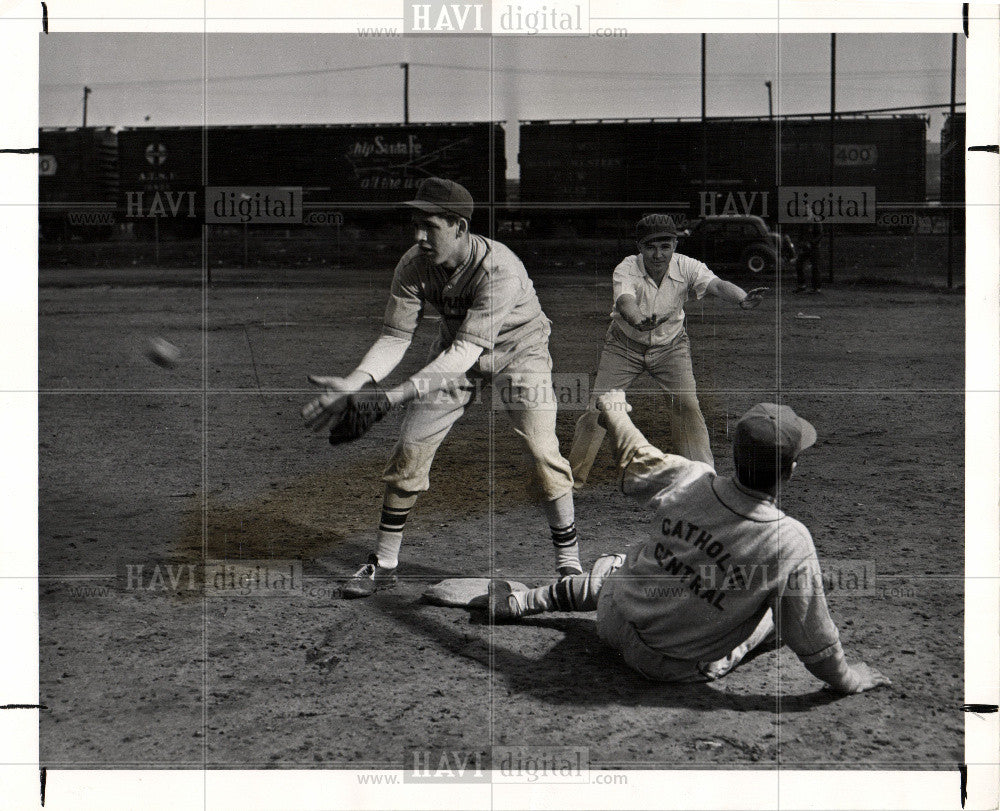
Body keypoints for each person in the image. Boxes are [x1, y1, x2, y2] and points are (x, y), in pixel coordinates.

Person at [490, 391, 891, 694]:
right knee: (780, 617)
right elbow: (816, 646)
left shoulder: (692, 476)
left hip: (614, 621)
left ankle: (525, 601)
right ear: (791, 471)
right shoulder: (791, 539)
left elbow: (637, 455)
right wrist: (850, 679)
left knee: (620, 564)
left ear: (732, 454)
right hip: (669, 666)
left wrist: (613, 411)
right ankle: (793, 596)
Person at [302, 177, 583, 598]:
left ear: (460, 227)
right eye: (415, 224)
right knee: (412, 445)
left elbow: (467, 353)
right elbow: (396, 338)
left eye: (430, 225)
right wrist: (357, 382)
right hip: (457, 350)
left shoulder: (499, 267)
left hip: (521, 353)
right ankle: (384, 562)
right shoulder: (414, 264)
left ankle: (569, 565)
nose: (419, 236)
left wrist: (389, 398)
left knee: (543, 451)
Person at [567, 213, 767, 487]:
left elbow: (716, 285)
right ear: (640, 247)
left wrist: (742, 298)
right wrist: (639, 320)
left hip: (671, 348)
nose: (658, 254)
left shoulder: (687, 266)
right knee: (596, 410)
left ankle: (703, 479)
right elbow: (625, 302)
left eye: (665, 246)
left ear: (675, 245)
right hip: (624, 346)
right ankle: (571, 481)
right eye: (651, 247)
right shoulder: (626, 268)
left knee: (687, 406)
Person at [794, 218, 823, 293]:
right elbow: (801, 234)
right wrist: (801, 243)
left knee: (815, 267)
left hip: (814, 248)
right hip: (805, 247)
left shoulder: (816, 221)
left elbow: (820, 235)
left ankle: (816, 288)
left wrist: (812, 243)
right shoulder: (804, 221)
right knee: (799, 264)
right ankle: (802, 285)